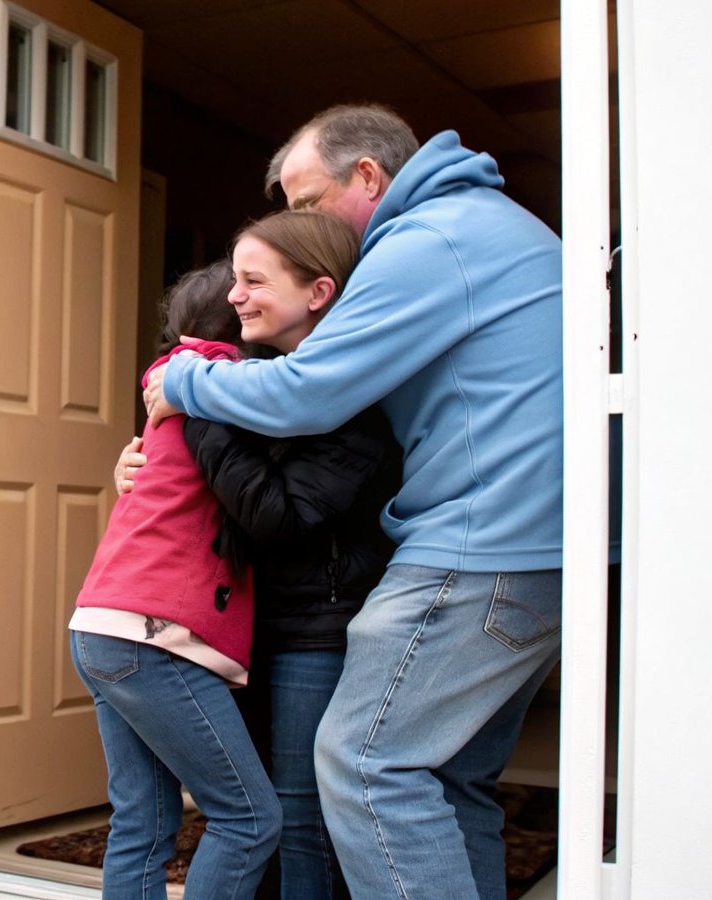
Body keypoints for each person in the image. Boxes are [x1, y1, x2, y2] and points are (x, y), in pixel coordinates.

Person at [140, 105, 563, 900]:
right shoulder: (497, 226)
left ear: (367, 177)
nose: (299, 225)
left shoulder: (426, 241)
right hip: (544, 550)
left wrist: (184, 381)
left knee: (367, 764)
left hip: (482, 546)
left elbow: (309, 392)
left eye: (305, 204)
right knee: (449, 780)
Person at [119, 210, 400, 900]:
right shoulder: (238, 375)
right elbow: (202, 494)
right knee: (251, 815)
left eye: (254, 280)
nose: (237, 295)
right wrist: (141, 463)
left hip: (312, 630)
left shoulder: (350, 400)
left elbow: (278, 516)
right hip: (233, 626)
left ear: (319, 292)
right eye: (234, 280)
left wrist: (198, 410)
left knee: (298, 816)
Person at [72, 259, 280, 900]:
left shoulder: (171, 391)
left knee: (143, 819)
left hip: (99, 625)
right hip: (152, 635)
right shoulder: (227, 384)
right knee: (249, 818)